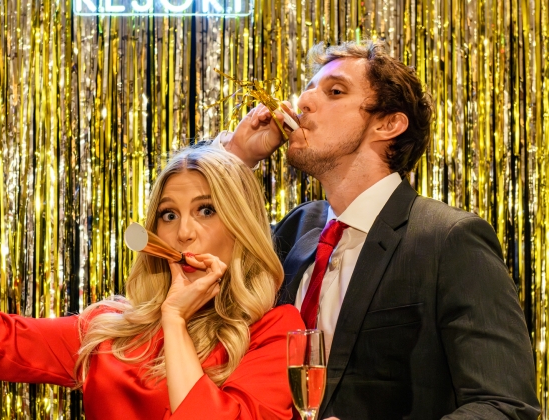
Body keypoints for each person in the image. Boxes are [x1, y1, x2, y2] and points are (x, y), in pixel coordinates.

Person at [220, 40, 541, 418]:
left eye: (334, 91)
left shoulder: (449, 240)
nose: (303, 102)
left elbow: (505, 406)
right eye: (308, 89)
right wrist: (235, 159)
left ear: (388, 124)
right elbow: (201, 264)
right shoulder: (295, 230)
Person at [0, 143, 304, 419]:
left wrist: (175, 320)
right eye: (169, 215)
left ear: (242, 225)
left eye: (206, 210)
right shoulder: (110, 330)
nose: (184, 233)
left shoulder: (276, 332)